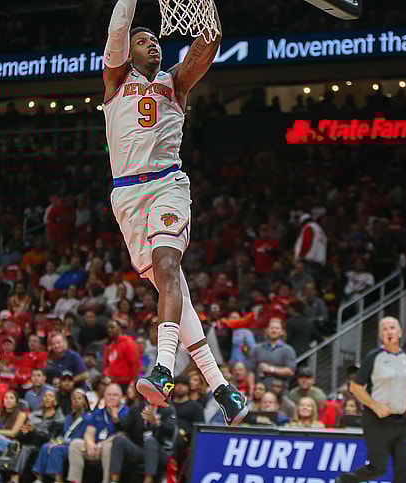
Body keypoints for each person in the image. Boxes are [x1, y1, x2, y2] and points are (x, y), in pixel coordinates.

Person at [101, 0, 247, 424]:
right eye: (143, 42)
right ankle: (223, 390)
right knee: (176, 296)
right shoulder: (114, 82)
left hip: (168, 184)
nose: (153, 48)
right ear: (129, 52)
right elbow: (117, 29)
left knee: (168, 266)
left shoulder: (175, 83)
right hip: (127, 197)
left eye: (156, 42)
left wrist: (209, 17)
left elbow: (207, 45)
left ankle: (163, 369)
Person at [337, 317, 406, 483]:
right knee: (377, 468)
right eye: (385, 329)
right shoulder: (374, 357)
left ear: (400, 332)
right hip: (376, 421)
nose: (389, 332)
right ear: (380, 334)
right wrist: (374, 405)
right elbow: (355, 387)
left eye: (392, 328)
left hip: (401, 421)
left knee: (405, 468)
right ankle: (343, 481)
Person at [67, 383, 128, 483]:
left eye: (115, 395)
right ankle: (75, 480)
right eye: (109, 395)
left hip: (110, 449)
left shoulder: (126, 412)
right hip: (95, 449)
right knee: (76, 444)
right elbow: (89, 432)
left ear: (121, 397)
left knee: (108, 447)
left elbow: (123, 434)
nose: (111, 397)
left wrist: (101, 445)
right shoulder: (98, 412)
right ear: (104, 396)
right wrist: (90, 443)